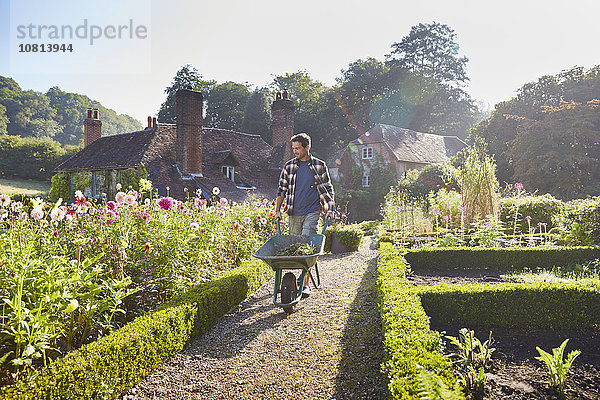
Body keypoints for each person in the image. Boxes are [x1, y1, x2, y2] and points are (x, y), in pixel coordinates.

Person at [275, 133, 335, 298]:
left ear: (307, 147)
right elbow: (281, 189)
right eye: (293, 148)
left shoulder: (319, 165)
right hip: (293, 212)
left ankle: (306, 284)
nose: (295, 151)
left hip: (312, 211)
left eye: (298, 148)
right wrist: (278, 209)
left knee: (307, 247)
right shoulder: (289, 167)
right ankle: (297, 280)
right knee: (297, 249)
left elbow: (327, 190)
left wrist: (329, 207)